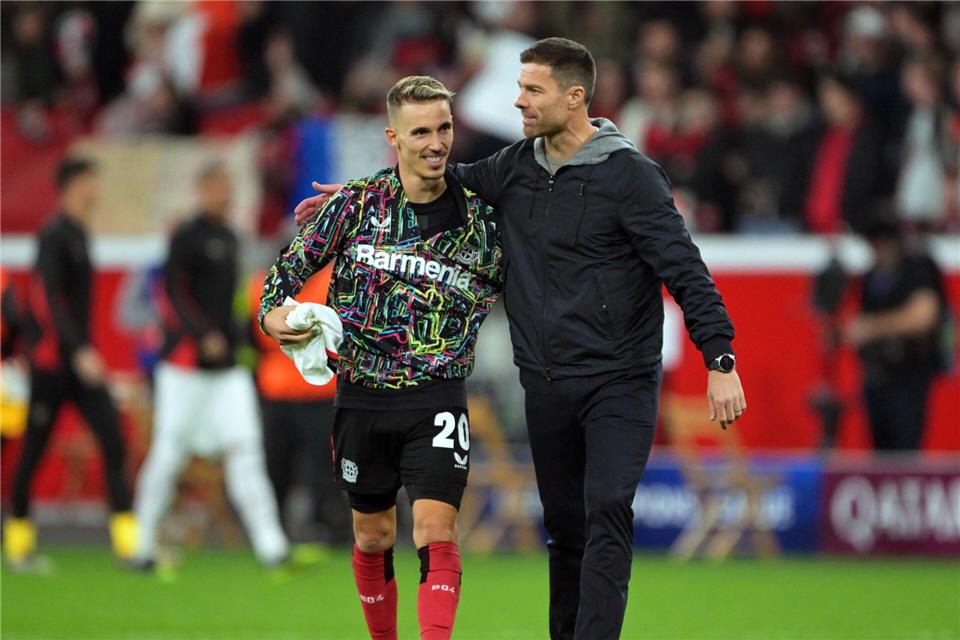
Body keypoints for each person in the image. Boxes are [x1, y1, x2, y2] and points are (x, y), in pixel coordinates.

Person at [295, 38, 746, 640]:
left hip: (620, 378)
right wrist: (357, 200)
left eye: (532, 90)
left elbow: (685, 271)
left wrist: (720, 357)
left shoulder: (633, 178)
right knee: (563, 526)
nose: (519, 101)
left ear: (574, 96)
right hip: (548, 380)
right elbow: (439, 175)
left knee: (607, 507)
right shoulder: (516, 165)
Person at [261, 76, 501, 640]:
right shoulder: (354, 205)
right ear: (394, 136)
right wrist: (278, 321)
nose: (435, 142)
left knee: (436, 528)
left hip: (438, 394)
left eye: (444, 128)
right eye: (421, 131)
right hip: (361, 396)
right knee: (372, 536)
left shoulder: (485, 222)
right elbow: (280, 283)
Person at [132, 162, 289, 572]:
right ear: (200, 190)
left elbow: (235, 302)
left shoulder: (231, 238)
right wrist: (201, 334)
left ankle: (272, 546)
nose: (226, 195)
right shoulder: (186, 236)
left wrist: (240, 344)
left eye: (228, 187)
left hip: (227, 370)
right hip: (184, 367)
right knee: (168, 453)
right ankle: (142, 544)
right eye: (219, 187)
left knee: (246, 450)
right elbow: (171, 294)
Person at [4, 157, 138, 570]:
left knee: (114, 442)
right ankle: (19, 547)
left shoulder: (79, 233)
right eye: (91, 183)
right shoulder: (55, 234)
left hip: (79, 364)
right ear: (72, 186)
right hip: (53, 365)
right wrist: (78, 349)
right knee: (34, 452)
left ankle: (130, 548)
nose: (96, 190)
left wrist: (83, 351)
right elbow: (46, 298)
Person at [246, 263, 350, 546]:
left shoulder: (263, 282)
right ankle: (278, 531)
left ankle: (322, 527)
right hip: (290, 389)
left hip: (310, 391)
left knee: (318, 467)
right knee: (283, 466)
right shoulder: (333, 277)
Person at [844, 218, 951, 450]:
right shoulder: (871, 276)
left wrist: (871, 327)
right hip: (876, 374)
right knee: (881, 447)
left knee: (906, 444)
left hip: (910, 373)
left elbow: (923, 316)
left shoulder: (918, 267)